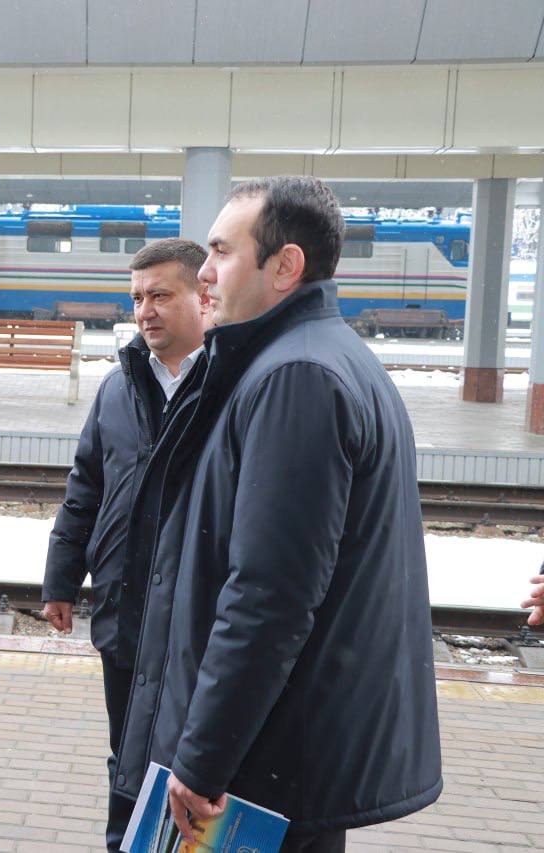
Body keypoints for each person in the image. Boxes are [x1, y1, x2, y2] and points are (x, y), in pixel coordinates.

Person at [112, 176, 442, 853]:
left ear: (285, 265)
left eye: (221, 252)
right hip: (283, 749)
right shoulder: (316, 358)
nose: (205, 272)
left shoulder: (298, 379)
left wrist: (201, 758)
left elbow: (269, 595)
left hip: (261, 766)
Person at [41, 238, 210, 849]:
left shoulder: (233, 385)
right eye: (137, 297)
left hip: (195, 621)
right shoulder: (118, 386)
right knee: (128, 756)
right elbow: (85, 487)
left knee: (195, 768)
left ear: (203, 295)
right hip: (125, 611)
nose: (145, 311)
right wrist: (61, 580)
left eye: (160, 295)